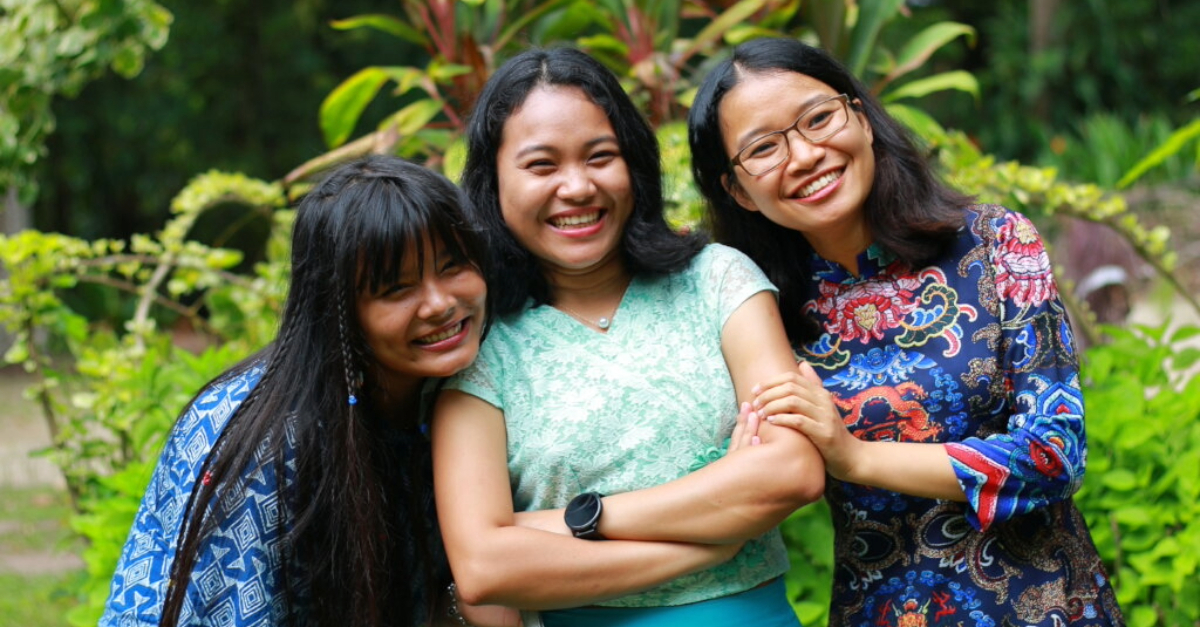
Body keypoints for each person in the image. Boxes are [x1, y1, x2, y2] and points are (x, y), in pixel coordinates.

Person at [687, 37, 1125, 627]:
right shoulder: (754, 309)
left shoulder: (996, 243)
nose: (804, 155)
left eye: (818, 119)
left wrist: (856, 457)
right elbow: (741, 478)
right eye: (763, 147)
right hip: (880, 610)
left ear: (861, 119)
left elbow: (1054, 454)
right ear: (738, 190)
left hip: (1047, 608)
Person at [432, 47, 825, 626]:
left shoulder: (717, 281)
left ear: (634, 166)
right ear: (493, 182)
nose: (577, 187)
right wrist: (712, 534)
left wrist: (575, 520)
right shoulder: (481, 346)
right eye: (542, 165)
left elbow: (791, 473)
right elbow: (486, 569)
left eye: (600, 157)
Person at [100, 156, 517, 627]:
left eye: (452, 266)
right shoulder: (267, 447)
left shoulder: (465, 389)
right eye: (397, 289)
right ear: (336, 308)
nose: (440, 303)